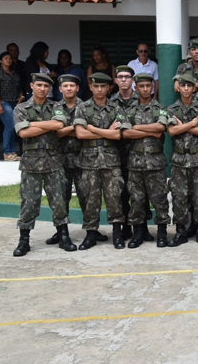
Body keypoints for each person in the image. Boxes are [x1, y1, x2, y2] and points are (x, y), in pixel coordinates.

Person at [12, 73, 73, 257]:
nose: (42, 89)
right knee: (29, 203)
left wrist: (32, 125)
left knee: (60, 201)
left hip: (53, 161)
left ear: (50, 89)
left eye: (46, 86)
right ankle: (24, 240)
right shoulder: (21, 108)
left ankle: (63, 236)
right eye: (39, 85)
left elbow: (60, 122)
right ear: (31, 85)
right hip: (31, 163)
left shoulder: (56, 106)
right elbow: (22, 133)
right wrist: (50, 125)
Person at [73, 72, 130, 250]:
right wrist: (106, 131)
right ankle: (90, 235)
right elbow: (80, 134)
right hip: (89, 161)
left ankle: (117, 234)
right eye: (96, 86)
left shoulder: (116, 109)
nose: (99, 89)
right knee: (91, 199)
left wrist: (91, 127)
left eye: (103, 86)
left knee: (115, 198)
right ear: (90, 87)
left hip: (111, 160)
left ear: (108, 88)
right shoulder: (82, 107)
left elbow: (118, 135)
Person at [48, 74, 105, 246]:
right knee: (60, 197)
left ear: (77, 88)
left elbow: (88, 131)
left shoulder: (86, 106)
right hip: (60, 158)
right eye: (65, 86)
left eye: (72, 86)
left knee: (87, 196)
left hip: (82, 157)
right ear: (60, 89)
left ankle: (92, 231)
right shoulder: (54, 107)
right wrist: (77, 128)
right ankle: (61, 232)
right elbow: (55, 133)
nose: (69, 89)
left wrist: (66, 129)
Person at [123, 72, 170, 248]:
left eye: (148, 86)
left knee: (160, 199)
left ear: (152, 87)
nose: (144, 89)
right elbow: (125, 133)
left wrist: (136, 127)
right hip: (135, 162)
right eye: (141, 86)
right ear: (135, 87)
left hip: (156, 161)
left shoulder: (161, 108)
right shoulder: (129, 110)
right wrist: (149, 130)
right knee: (136, 199)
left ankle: (162, 232)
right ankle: (138, 233)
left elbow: (160, 128)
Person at [167, 72, 198, 247]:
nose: (186, 88)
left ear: (195, 88)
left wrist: (182, 126)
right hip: (178, 159)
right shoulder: (171, 108)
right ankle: (180, 230)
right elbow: (171, 131)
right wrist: (193, 124)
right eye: (183, 85)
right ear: (179, 87)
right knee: (179, 196)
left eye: (189, 86)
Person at [112, 65, 152, 242]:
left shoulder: (142, 99)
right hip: (118, 154)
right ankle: (126, 227)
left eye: (127, 76)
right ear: (115, 80)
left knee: (140, 193)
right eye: (120, 76)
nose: (123, 80)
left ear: (132, 80)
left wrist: (133, 130)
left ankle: (142, 228)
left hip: (140, 154)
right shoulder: (111, 103)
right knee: (122, 193)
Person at [0, 51, 25, 160]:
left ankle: (12, 152)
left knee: (13, 127)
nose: (9, 60)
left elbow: (20, 89)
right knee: (10, 126)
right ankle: (7, 152)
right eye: (6, 58)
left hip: (14, 103)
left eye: (10, 58)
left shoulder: (15, 73)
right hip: (3, 102)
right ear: (1, 61)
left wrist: (21, 97)